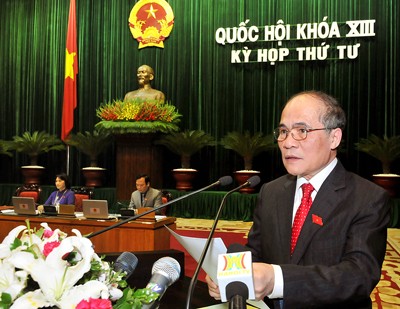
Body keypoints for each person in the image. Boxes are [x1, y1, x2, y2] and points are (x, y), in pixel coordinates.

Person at [206, 91, 391, 308]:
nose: (288, 143)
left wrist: (277, 279)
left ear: (334, 138)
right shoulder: (271, 191)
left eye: (302, 131)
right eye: (283, 131)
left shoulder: (367, 198)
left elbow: (358, 276)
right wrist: (231, 276)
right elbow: (256, 251)